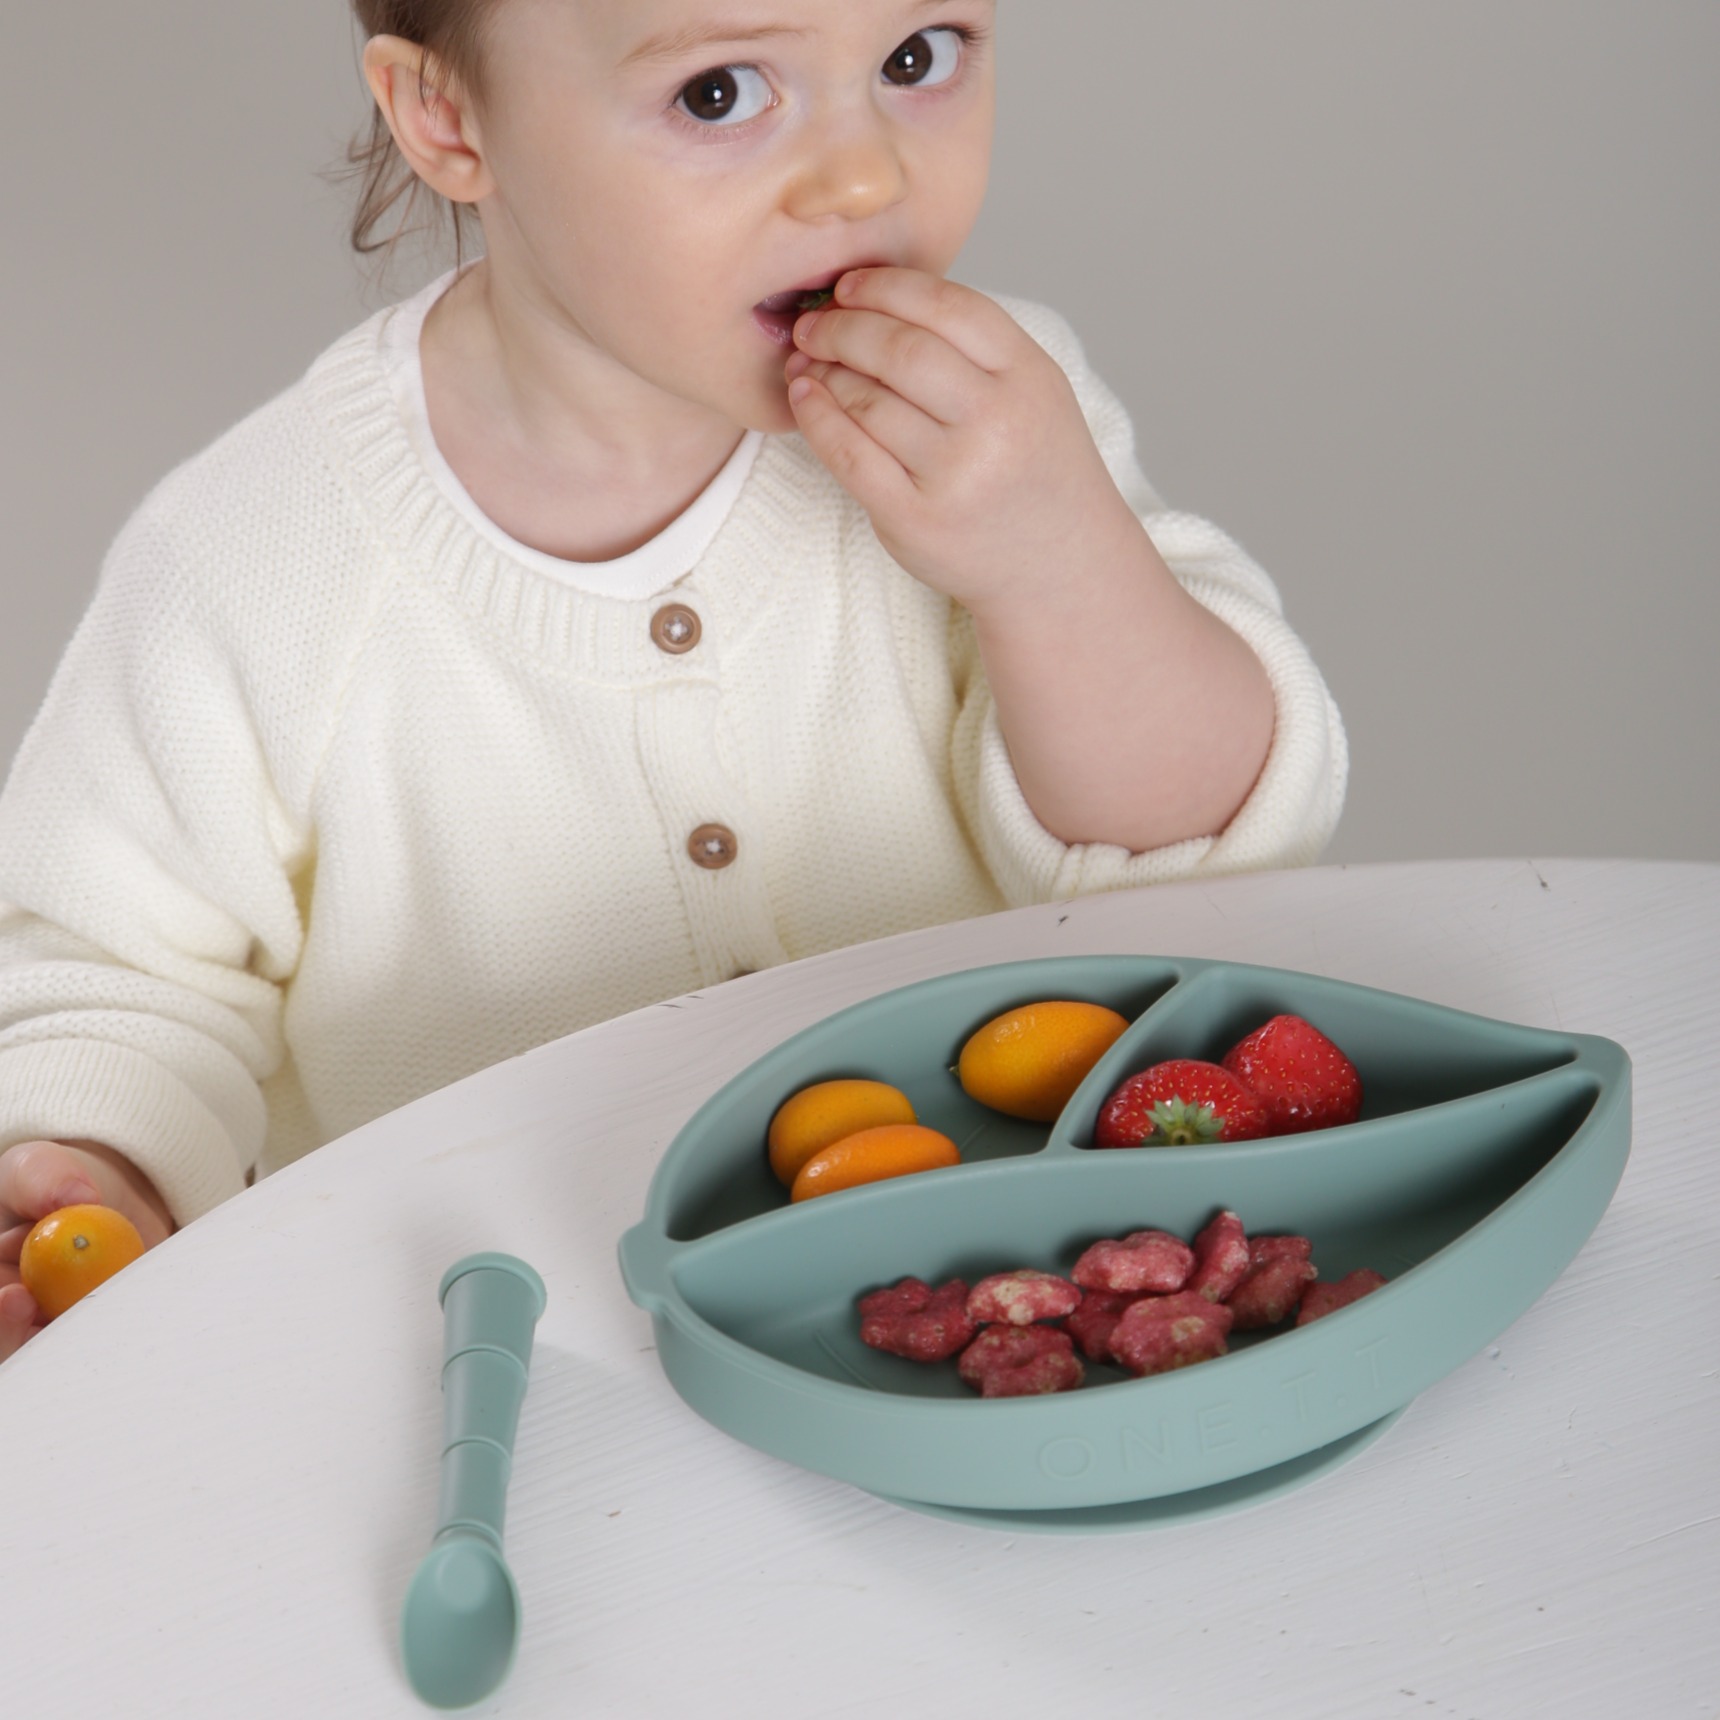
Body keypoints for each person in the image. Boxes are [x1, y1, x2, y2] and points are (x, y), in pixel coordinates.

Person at [0, 0, 1346, 1360]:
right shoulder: (257, 558)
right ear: (448, 118)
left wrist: (1059, 559)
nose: (867, 174)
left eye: (915, 58)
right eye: (719, 94)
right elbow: (116, 977)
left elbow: (1209, 848)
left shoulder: (1002, 429)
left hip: (992, 1304)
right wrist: (100, 1167)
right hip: (506, 1371)